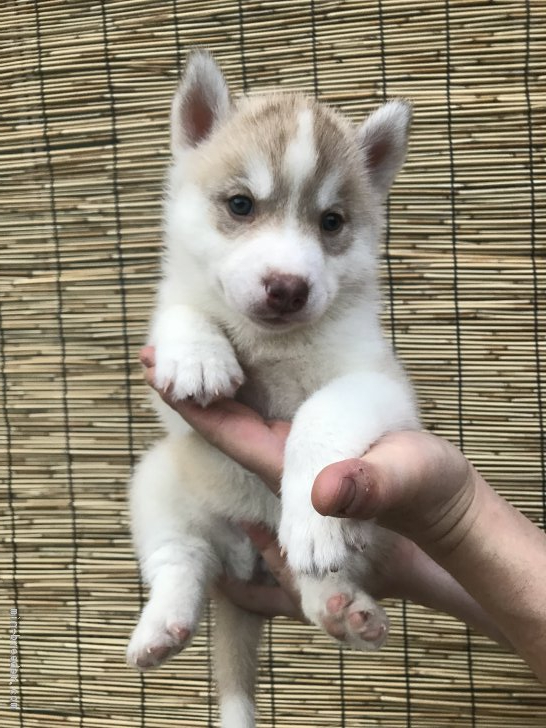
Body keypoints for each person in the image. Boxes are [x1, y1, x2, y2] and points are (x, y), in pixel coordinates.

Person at [140, 346, 546, 684]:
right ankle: (175, 577)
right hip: (217, 503)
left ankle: (323, 587)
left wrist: (454, 517)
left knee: (330, 525)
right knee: (160, 476)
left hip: (308, 518)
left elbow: (369, 391)